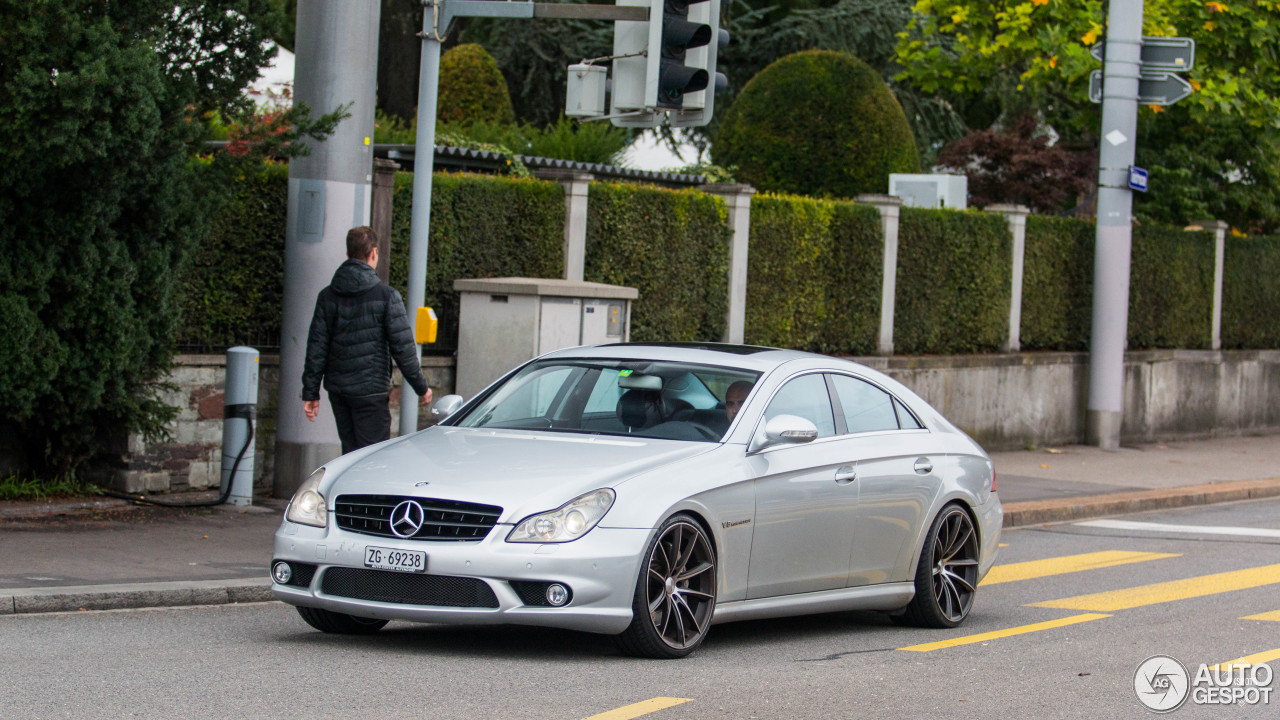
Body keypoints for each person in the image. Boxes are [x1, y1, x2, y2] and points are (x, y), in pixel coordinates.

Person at [302, 226, 432, 454]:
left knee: (350, 454)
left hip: (339, 392)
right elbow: (403, 348)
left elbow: (317, 347)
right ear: (373, 253)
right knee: (373, 458)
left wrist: (311, 392)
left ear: (347, 255)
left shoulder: (327, 296)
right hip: (371, 392)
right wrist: (421, 387)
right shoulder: (386, 296)